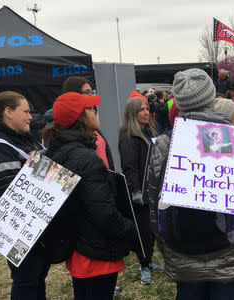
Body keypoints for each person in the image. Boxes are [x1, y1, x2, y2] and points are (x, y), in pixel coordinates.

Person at [148, 68, 234, 300]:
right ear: (210, 97)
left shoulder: (165, 143)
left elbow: (154, 203)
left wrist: (166, 246)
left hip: (184, 253)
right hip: (233, 253)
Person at [42, 92, 137, 300]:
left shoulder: (56, 152)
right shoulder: (86, 159)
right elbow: (104, 213)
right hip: (96, 250)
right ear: (80, 119)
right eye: (89, 108)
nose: (95, 111)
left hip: (77, 246)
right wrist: (130, 229)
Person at [0, 91, 49, 299]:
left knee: (37, 275)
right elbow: (7, 190)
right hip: (14, 227)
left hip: (35, 224)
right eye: (26, 111)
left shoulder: (24, 139)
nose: (30, 117)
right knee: (25, 278)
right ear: (9, 112)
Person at [118, 97, 163, 285]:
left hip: (152, 190)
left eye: (147, 109)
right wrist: (135, 190)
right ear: (132, 113)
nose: (146, 112)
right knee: (143, 230)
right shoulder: (129, 137)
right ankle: (144, 264)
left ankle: (149, 259)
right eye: (141, 110)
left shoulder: (149, 131)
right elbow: (129, 167)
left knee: (152, 229)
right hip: (140, 193)